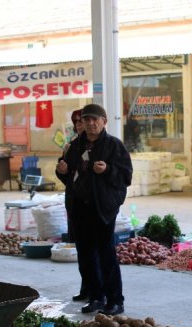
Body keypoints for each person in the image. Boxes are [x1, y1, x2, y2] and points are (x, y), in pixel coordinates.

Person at [56, 103, 133, 315]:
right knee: (87, 255)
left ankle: (115, 300)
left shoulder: (114, 146)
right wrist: (61, 170)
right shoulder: (75, 146)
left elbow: (126, 176)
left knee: (106, 254)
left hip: (102, 208)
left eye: (95, 120)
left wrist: (108, 169)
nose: (91, 124)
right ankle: (96, 297)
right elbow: (69, 174)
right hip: (79, 207)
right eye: (87, 119)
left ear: (104, 122)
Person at [61, 109, 90, 302]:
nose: (80, 125)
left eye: (83, 121)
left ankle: (99, 292)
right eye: (77, 123)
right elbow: (67, 177)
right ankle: (86, 288)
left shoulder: (102, 145)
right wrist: (62, 169)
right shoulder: (71, 146)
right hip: (75, 204)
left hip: (94, 206)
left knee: (96, 251)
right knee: (82, 250)